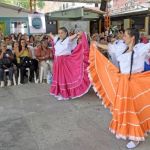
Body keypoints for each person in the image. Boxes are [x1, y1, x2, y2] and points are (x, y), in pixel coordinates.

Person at [88, 28, 150, 149]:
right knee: (126, 108)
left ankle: (135, 137)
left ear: (132, 38)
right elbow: (110, 48)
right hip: (123, 83)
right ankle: (134, 132)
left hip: (137, 83)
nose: (123, 38)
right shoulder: (122, 47)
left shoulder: (141, 48)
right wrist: (96, 44)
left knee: (136, 109)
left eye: (126, 36)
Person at [49, 27, 91, 100]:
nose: (60, 34)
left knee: (64, 77)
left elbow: (77, 35)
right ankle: (60, 92)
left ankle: (64, 94)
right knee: (59, 77)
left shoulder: (68, 39)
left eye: (62, 33)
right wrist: (50, 34)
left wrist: (81, 34)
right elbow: (52, 36)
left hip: (64, 61)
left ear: (66, 33)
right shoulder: (57, 40)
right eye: (59, 33)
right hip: (57, 61)